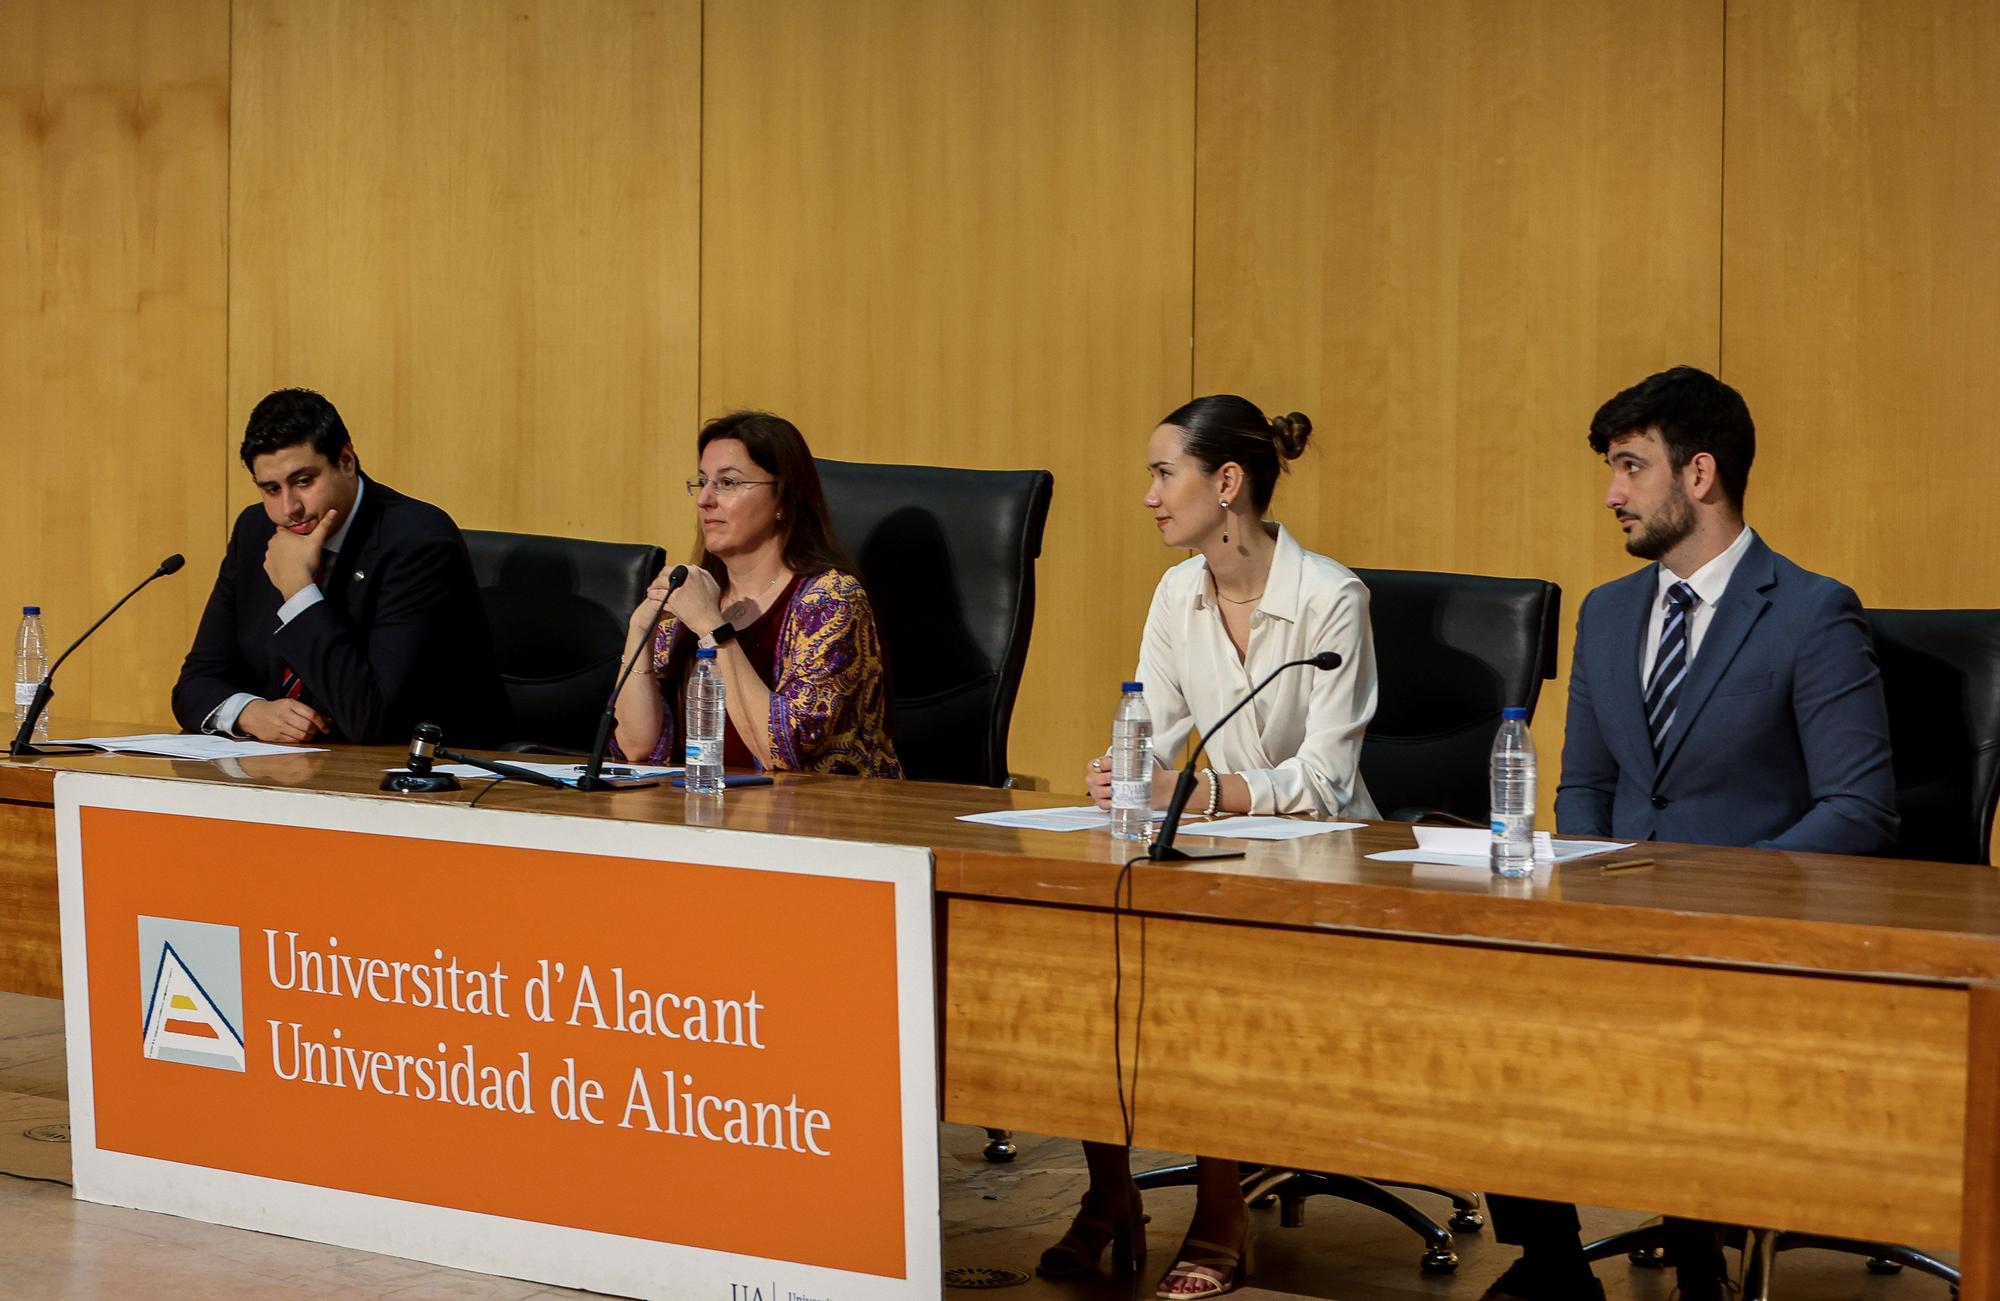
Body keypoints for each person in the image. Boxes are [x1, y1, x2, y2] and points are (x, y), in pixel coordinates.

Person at [1481, 366, 1898, 1301]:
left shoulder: (1811, 611)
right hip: (1614, 921)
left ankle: (1701, 1242)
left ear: (1699, 473)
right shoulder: (1608, 609)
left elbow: (1859, 806)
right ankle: (1550, 1260)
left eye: (1631, 467)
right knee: (1492, 992)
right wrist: (1593, 881)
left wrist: (1719, 888)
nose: (1612, 492)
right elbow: (1585, 783)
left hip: (1751, 939)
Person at [1053, 395, 1379, 1299]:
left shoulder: (1331, 599)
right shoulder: (1175, 593)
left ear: (1225, 483)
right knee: (1090, 945)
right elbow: (1152, 734)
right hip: (1214, 852)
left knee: (1203, 971)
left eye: (1165, 473)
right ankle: (1111, 1192)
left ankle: (1221, 1208)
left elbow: (1325, 780)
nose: (1149, 496)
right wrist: (1117, 768)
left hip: (1320, 865)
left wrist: (1202, 791)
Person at [172, 388, 506, 747]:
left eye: (303, 481)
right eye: (270, 489)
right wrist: (249, 712)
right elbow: (194, 685)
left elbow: (370, 719)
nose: (289, 508)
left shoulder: (418, 541)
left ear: (346, 461)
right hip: (291, 771)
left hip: (421, 776)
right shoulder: (255, 531)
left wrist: (298, 591)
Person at [610, 410, 900, 777]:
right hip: (705, 814)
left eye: (728, 483)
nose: (705, 500)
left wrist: (713, 629)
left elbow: (783, 752)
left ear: (784, 498)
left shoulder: (831, 601)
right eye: (702, 482)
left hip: (820, 819)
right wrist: (640, 633)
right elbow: (636, 750)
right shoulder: (695, 596)